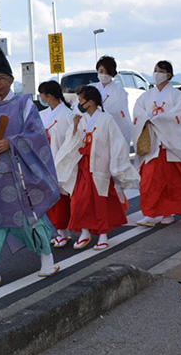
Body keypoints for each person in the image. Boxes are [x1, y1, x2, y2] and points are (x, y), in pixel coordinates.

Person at [0, 50, 61, 289]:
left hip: (19, 173)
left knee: (30, 217)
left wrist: (12, 142)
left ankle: (47, 259)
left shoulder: (23, 104)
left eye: (1, 78)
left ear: (10, 80)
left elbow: (37, 135)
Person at [53, 85, 139, 250]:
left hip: (100, 167)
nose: (79, 104)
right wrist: (76, 127)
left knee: (100, 202)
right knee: (79, 201)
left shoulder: (106, 119)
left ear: (91, 102)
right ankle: (85, 231)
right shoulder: (81, 118)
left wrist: (115, 165)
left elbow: (117, 143)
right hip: (83, 165)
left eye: (81, 100)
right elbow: (72, 139)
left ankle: (103, 235)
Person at [134, 61, 181, 227]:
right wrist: (148, 120)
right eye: (155, 70)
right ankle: (151, 213)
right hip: (153, 145)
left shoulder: (176, 95)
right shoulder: (146, 96)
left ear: (169, 75)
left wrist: (159, 120)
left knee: (172, 183)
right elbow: (138, 113)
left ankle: (167, 212)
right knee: (149, 181)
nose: (156, 73)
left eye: (160, 71)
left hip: (169, 144)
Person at [38, 80, 74, 247]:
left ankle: (63, 230)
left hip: (61, 159)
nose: (40, 97)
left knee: (62, 197)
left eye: (42, 94)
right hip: (47, 161)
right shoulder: (44, 114)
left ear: (49, 95)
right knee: (52, 198)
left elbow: (71, 141)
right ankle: (61, 231)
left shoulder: (67, 115)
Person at [93, 56, 133, 145]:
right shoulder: (93, 89)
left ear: (112, 73)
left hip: (114, 130)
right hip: (96, 131)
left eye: (107, 72)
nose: (103, 74)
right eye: (101, 71)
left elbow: (121, 114)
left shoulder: (120, 92)